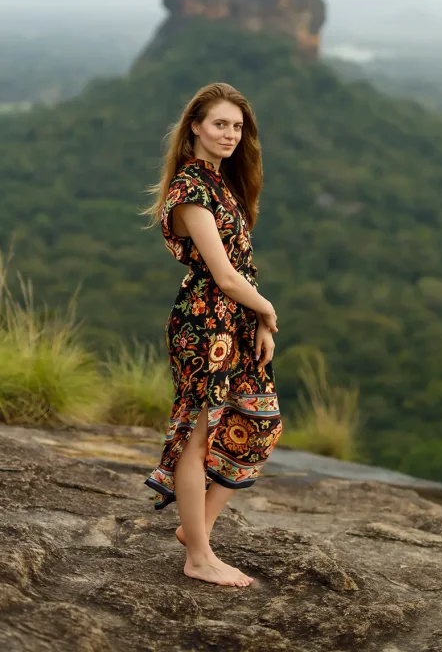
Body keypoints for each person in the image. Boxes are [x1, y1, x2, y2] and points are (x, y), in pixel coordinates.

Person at [142, 81, 283, 587]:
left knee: (260, 423)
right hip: (204, 323)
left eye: (237, 126)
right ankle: (199, 555)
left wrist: (256, 322)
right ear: (196, 128)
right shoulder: (190, 191)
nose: (230, 134)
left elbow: (238, 274)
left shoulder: (223, 183)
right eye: (220, 124)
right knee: (198, 435)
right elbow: (223, 275)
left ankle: (195, 526)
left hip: (236, 323)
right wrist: (268, 310)